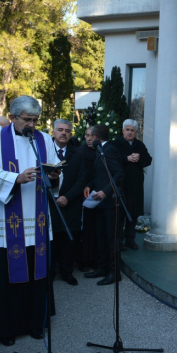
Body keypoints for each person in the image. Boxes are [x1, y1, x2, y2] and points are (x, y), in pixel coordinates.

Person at [0, 96, 61, 346]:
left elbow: (54, 169)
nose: (32, 124)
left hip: (37, 222)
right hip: (6, 222)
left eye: (36, 120)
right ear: (13, 117)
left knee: (37, 276)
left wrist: (55, 175)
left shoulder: (44, 139)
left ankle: (36, 323)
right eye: (27, 120)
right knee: (7, 279)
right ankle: (7, 328)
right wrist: (15, 179)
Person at [83, 124, 124, 285]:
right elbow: (101, 176)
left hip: (111, 202)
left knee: (111, 238)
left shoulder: (109, 150)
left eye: (89, 135)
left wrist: (105, 191)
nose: (87, 138)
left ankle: (114, 273)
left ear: (96, 137)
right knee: (100, 237)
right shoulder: (99, 151)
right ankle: (102, 267)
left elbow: (119, 174)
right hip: (99, 203)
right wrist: (90, 185)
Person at [49, 119, 86, 286]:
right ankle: (48, 272)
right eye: (60, 130)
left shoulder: (77, 154)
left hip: (70, 205)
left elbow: (81, 179)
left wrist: (67, 197)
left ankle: (66, 272)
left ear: (71, 134)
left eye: (67, 131)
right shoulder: (45, 151)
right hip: (49, 204)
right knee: (50, 238)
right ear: (54, 132)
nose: (63, 133)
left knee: (68, 240)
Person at [112, 119, 152, 250]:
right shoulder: (116, 144)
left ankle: (130, 239)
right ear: (123, 131)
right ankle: (118, 241)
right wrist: (126, 158)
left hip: (136, 185)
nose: (129, 132)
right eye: (127, 130)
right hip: (121, 185)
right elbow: (111, 160)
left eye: (132, 130)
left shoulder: (139, 145)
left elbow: (148, 160)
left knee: (133, 214)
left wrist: (139, 158)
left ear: (136, 132)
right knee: (120, 214)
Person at [75, 127, 97, 272]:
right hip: (81, 193)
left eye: (92, 136)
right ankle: (82, 259)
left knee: (93, 229)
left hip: (96, 194)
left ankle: (93, 258)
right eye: (87, 135)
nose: (89, 138)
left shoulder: (100, 152)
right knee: (82, 229)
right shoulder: (80, 152)